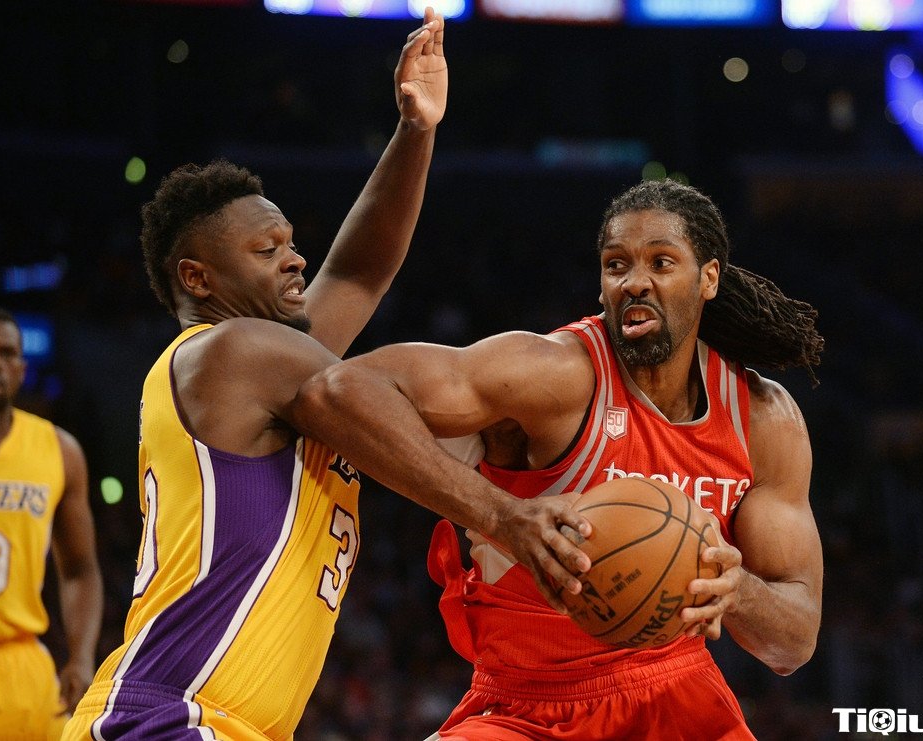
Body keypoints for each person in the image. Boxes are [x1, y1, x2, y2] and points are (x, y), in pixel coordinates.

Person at [63, 11, 591, 740]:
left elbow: (359, 271)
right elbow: (354, 383)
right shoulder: (229, 352)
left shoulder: (269, 364)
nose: (295, 259)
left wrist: (416, 129)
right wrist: (503, 514)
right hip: (171, 718)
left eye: (290, 242)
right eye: (267, 250)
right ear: (199, 277)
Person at [299, 177, 827, 740]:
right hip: (524, 707)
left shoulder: (761, 419)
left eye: (661, 262)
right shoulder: (556, 374)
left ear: (709, 279)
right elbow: (335, 391)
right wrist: (502, 514)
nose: (634, 281)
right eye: (616, 265)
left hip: (678, 697)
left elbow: (794, 643)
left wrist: (738, 589)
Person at [0, 305, 104, 739]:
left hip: (25, 665)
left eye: (5, 353)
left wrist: (81, 658)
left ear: (21, 367)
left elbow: (80, 570)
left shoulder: (59, 450)